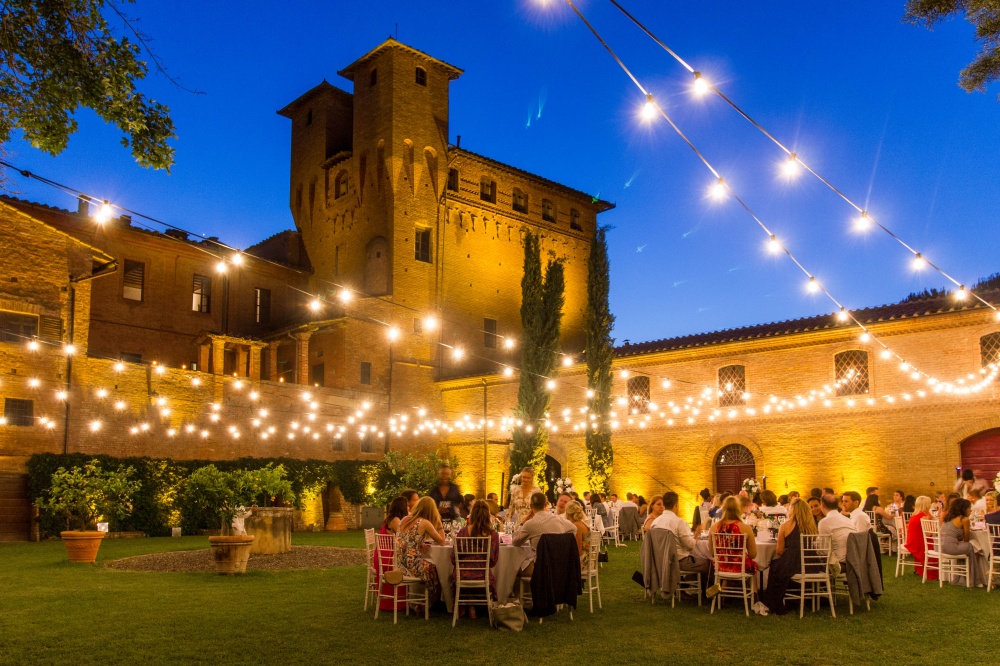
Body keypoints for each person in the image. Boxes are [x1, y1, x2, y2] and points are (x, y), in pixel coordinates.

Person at [757, 495, 820, 615]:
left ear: (792, 509)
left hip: (794, 563)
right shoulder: (811, 525)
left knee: (775, 565)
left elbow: (779, 551)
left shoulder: (786, 525)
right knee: (779, 566)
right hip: (811, 563)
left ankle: (774, 602)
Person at [450, 500, 499, 619]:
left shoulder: (463, 532)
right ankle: (481, 607)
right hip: (483, 574)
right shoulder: (492, 534)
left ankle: (470, 606)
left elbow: (453, 558)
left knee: (458, 572)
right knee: (489, 574)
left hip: (463, 574)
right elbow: (493, 561)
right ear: (487, 515)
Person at [395, 497, 446, 606]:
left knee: (429, 565)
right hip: (412, 565)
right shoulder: (424, 522)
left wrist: (420, 543)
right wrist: (439, 524)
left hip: (399, 564)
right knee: (434, 568)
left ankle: (420, 600)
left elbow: (408, 539)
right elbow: (442, 541)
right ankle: (429, 603)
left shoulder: (404, 519)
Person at [706, 497, 759, 598]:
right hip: (739, 567)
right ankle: (754, 594)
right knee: (753, 566)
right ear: (738, 509)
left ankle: (723, 593)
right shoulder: (745, 528)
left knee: (729, 564)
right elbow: (753, 554)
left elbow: (712, 553)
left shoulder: (714, 527)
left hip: (721, 566)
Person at [512, 492, 576, 574]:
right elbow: (573, 529)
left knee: (514, 569)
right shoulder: (558, 519)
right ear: (546, 504)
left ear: (531, 506)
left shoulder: (530, 524)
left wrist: (523, 522)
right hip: (559, 566)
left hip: (539, 568)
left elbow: (515, 542)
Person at [650, 492, 711, 577]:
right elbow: (690, 546)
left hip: (660, 561)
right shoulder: (678, 522)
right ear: (676, 505)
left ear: (664, 504)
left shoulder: (655, 522)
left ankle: (686, 586)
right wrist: (696, 535)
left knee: (698, 561)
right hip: (679, 562)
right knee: (707, 563)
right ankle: (704, 589)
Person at [374, 496, 411, 613]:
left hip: (383, 555)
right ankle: (403, 602)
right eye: (408, 506)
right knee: (408, 566)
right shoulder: (395, 520)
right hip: (388, 557)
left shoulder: (391, 518)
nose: (409, 508)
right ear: (402, 508)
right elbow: (405, 537)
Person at [939, 498, 988, 587]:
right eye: (969, 507)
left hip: (941, 547)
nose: (971, 509)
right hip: (951, 548)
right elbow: (966, 538)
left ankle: (963, 577)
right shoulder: (964, 519)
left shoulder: (949, 518)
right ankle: (975, 580)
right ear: (964, 508)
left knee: (966, 546)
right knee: (970, 546)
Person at [905, 496, 937, 581]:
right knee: (937, 547)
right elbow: (928, 534)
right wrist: (936, 527)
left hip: (912, 540)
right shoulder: (924, 517)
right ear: (926, 505)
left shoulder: (915, 515)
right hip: (919, 542)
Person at [818, 494, 856, 566]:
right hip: (853, 562)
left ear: (822, 505)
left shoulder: (824, 522)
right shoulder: (849, 520)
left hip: (837, 564)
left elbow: (824, 551)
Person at [564, 500, 591, 569]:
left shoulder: (577, 526)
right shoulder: (581, 523)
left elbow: (578, 551)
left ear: (568, 513)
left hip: (583, 562)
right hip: (589, 559)